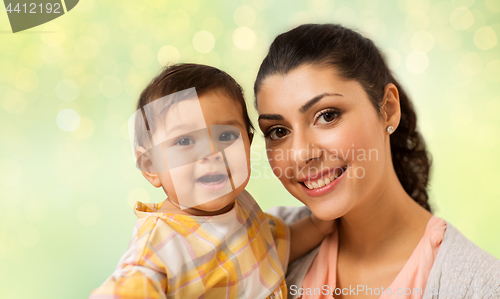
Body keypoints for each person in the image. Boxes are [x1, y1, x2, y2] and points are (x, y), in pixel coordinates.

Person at [254, 24, 500, 299]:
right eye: (278, 131)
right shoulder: (261, 243)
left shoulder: (481, 287)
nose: (300, 154)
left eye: (327, 115)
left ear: (388, 110)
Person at [89, 63, 335, 299]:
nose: (212, 154)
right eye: (185, 141)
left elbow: (275, 247)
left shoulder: (242, 206)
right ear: (151, 166)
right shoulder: (161, 243)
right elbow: (131, 284)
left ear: (248, 145)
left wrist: (318, 225)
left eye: (226, 135)